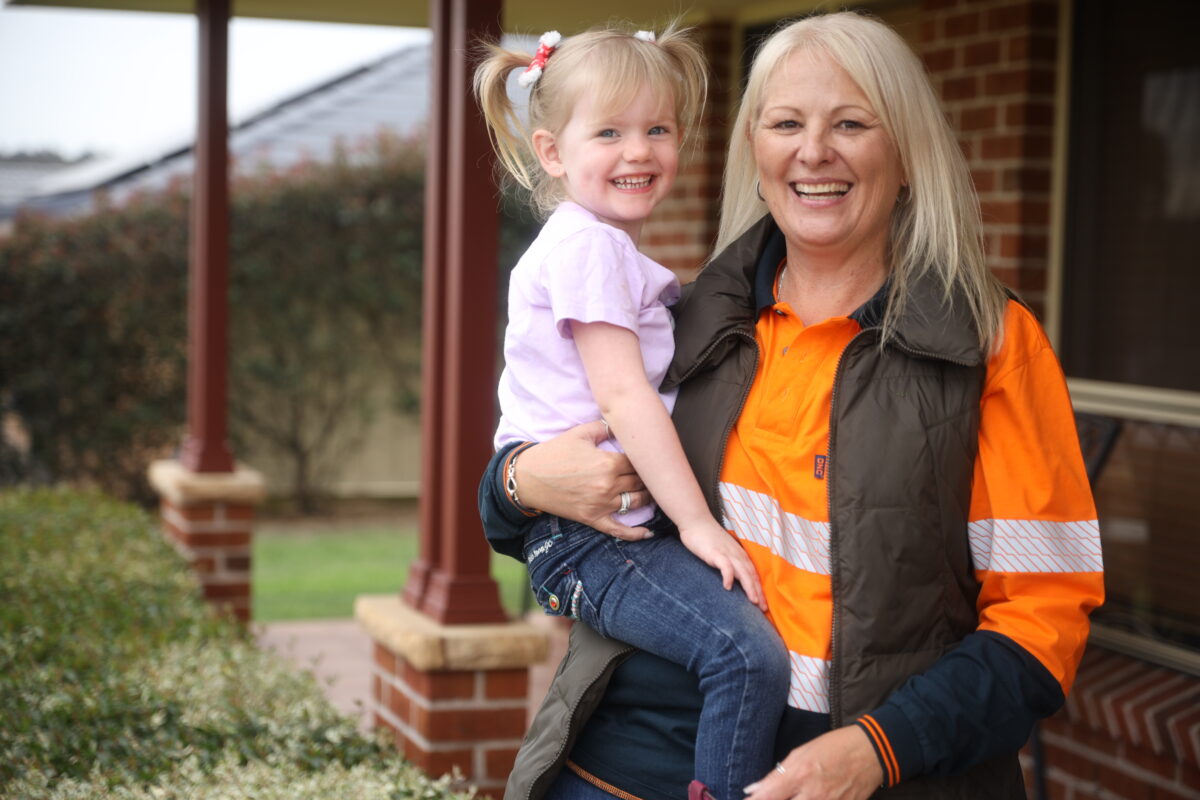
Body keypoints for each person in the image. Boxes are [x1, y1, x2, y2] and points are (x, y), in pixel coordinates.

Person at [479, 11, 1104, 800]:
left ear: (906, 151)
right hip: (624, 763)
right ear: (755, 149)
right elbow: (522, 505)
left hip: (875, 773)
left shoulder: (989, 344)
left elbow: (1045, 623)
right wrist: (518, 482)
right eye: (786, 123)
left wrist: (877, 750)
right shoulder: (698, 318)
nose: (814, 151)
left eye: (851, 123)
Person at [473, 24, 790, 800]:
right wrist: (697, 525)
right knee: (744, 656)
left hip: (584, 532)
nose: (638, 150)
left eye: (658, 129)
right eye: (609, 132)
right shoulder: (589, 249)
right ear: (553, 152)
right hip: (589, 537)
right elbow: (624, 394)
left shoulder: (606, 250)